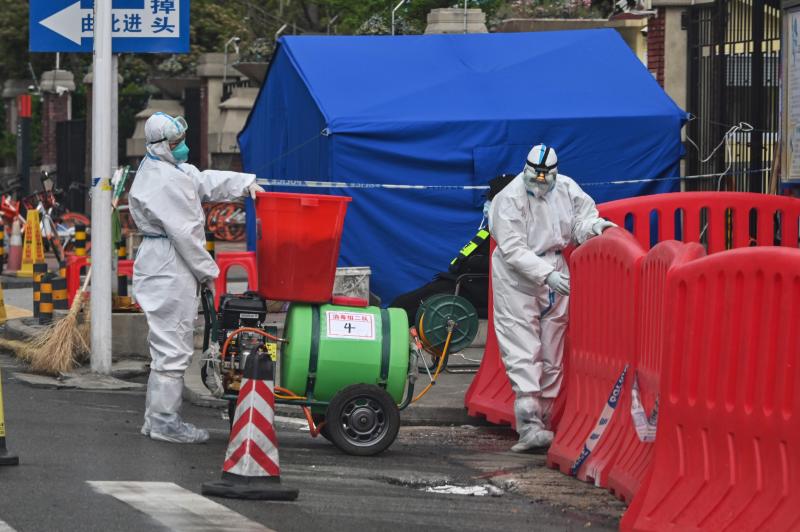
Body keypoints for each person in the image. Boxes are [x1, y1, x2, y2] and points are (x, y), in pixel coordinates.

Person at [129, 112, 264, 443]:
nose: (182, 147)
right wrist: (209, 273)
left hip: (165, 261)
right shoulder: (165, 181)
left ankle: (156, 418)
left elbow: (202, 179)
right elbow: (187, 235)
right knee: (172, 345)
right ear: (161, 146)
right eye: (175, 143)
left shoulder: (166, 168)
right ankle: (164, 421)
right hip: (169, 265)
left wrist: (244, 184)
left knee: (166, 344)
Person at [489, 144, 614, 452]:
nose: (542, 180)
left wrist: (593, 227)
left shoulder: (568, 189)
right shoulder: (510, 199)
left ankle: (543, 418)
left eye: (548, 175)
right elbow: (513, 249)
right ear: (526, 169)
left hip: (556, 264)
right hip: (517, 275)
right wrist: (547, 275)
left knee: (553, 344)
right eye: (536, 174)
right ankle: (529, 423)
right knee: (522, 342)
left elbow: (582, 219)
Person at [390, 174, 515, 321]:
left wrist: (475, 261)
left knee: (414, 309)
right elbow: (464, 258)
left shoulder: (510, 233)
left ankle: (392, 331)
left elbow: (504, 263)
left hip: (474, 290)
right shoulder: (489, 229)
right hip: (459, 282)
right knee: (401, 303)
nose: (486, 204)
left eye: (490, 200)